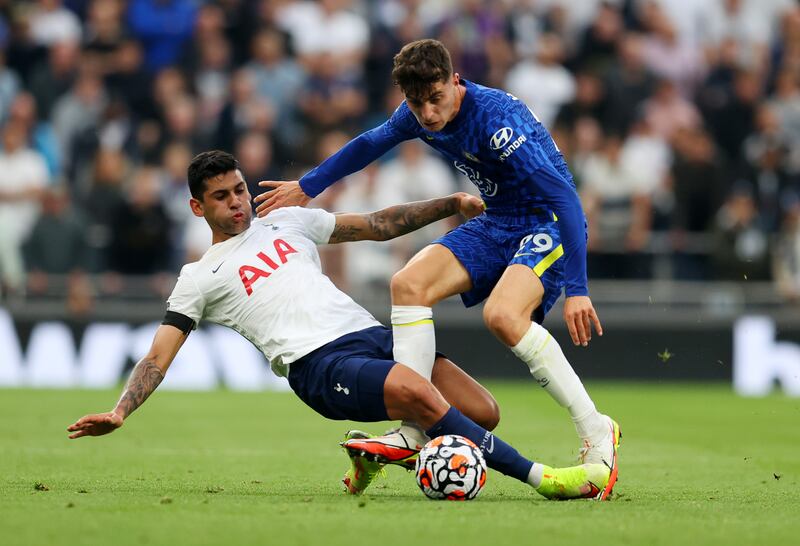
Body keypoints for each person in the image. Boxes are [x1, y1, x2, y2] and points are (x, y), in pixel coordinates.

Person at [66, 151, 614, 502]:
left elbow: (377, 225)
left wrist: (447, 203)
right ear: (196, 207)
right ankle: (544, 479)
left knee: (480, 411)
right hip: (318, 365)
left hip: (371, 335)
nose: (237, 203)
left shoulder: (287, 219)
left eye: (238, 190)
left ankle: (374, 449)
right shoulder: (198, 276)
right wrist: (120, 410)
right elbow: (159, 355)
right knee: (413, 391)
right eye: (221, 197)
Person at [253, 39, 620, 492]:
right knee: (409, 283)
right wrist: (308, 186)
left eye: (435, 99)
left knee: (502, 317)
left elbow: (565, 197)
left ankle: (595, 428)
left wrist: (578, 288)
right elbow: (370, 143)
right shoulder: (416, 113)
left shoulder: (496, 121)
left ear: (455, 81)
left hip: (548, 221)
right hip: (498, 219)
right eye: (416, 102)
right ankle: (413, 427)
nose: (427, 113)